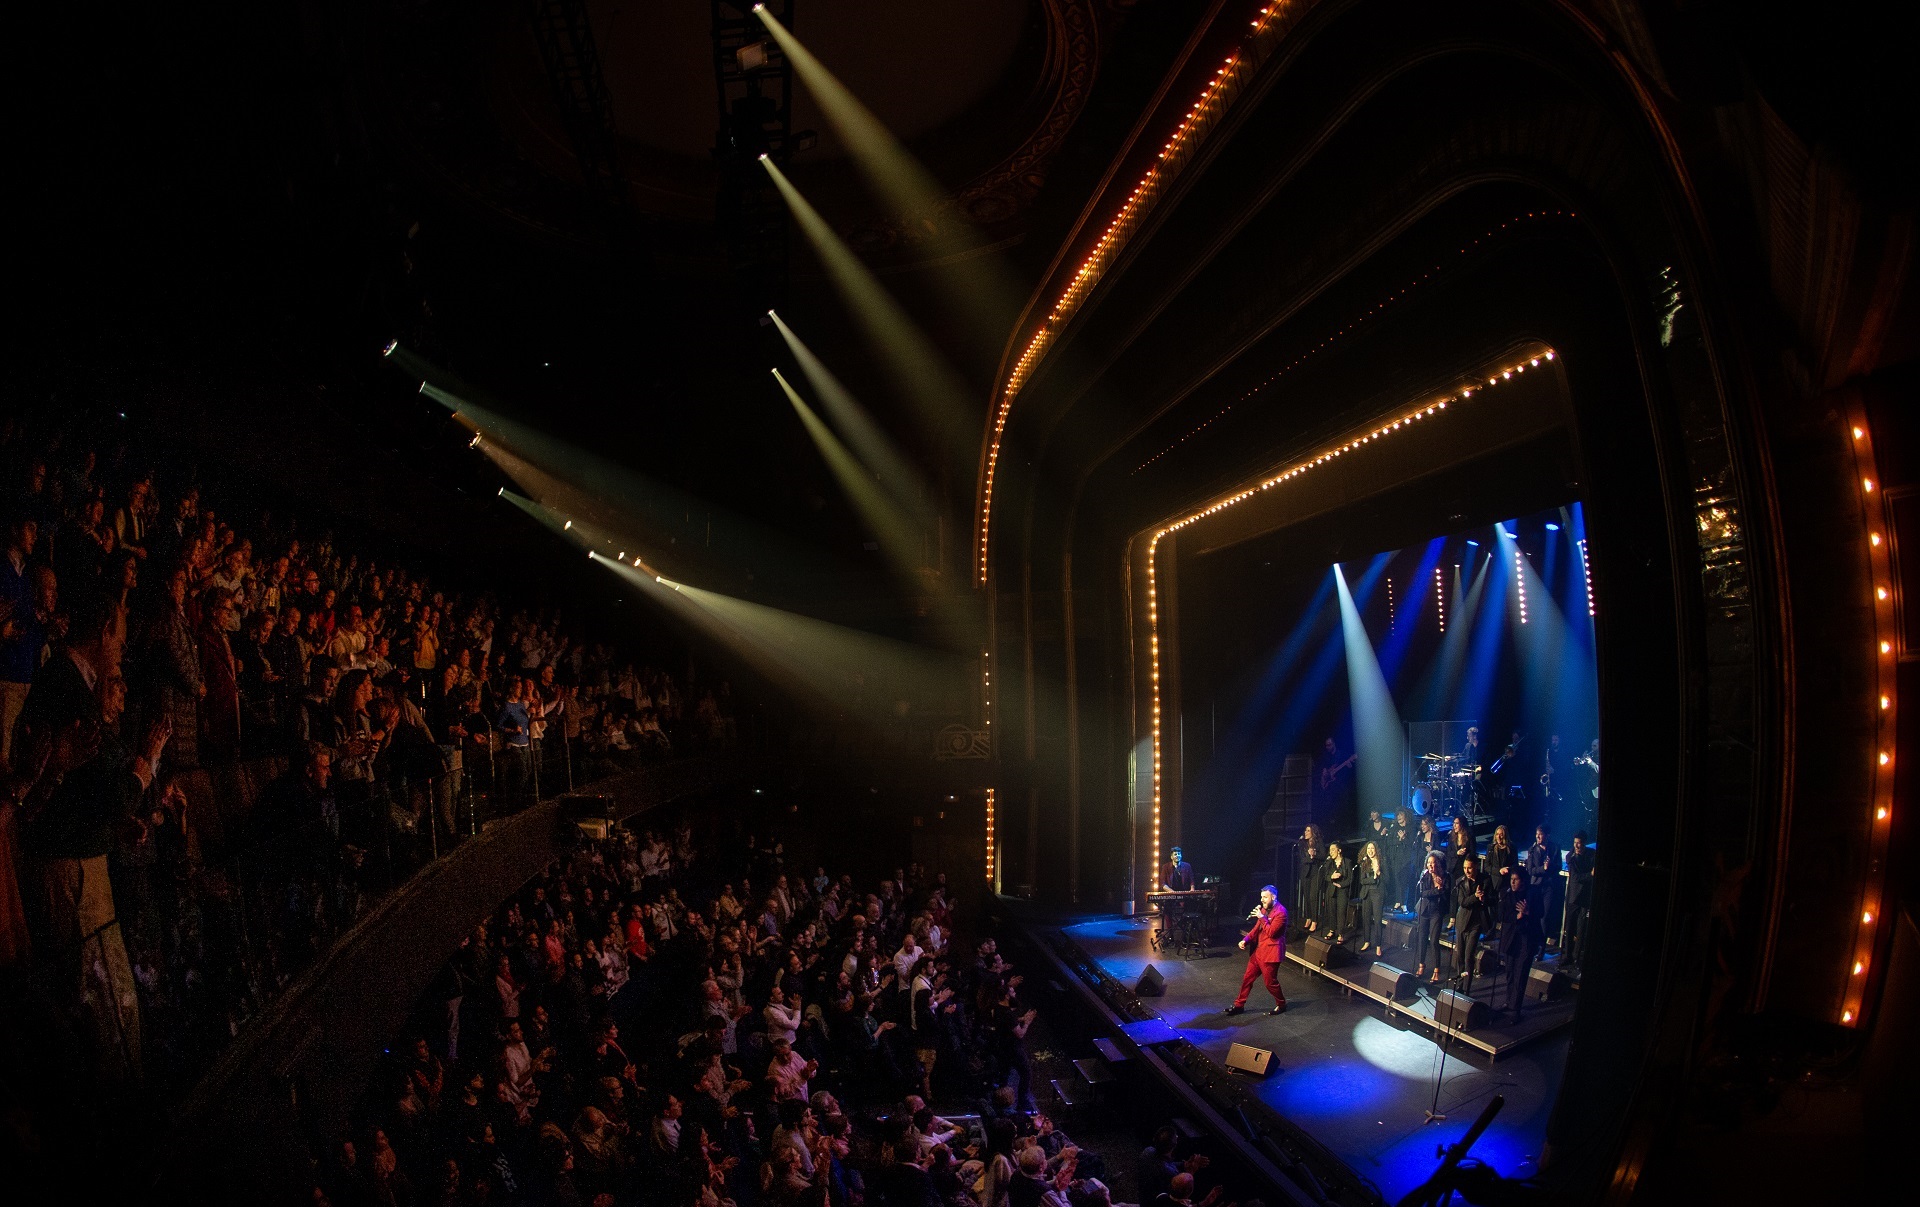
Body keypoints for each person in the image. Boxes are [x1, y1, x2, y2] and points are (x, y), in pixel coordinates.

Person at [1223, 884, 1286, 1016]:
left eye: (1265, 897)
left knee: (1270, 983)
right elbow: (1256, 929)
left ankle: (1281, 1004)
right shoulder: (1263, 910)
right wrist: (1245, 940)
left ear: (1273, 897)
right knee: (1247, 978)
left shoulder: (1281, 913)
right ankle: (1239, 1005)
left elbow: (1272, 933)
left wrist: (1262, 918)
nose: (1262, 900)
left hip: (1270, 954)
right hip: (1258, 952)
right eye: (1261, 897)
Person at [1498, 875, 1545, 1022]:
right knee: (1510, 971)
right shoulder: (1506, 893)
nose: (1512, 882)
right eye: (1511, 879)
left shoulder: (1533, 893)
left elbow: (1541, 913)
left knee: (1521, 973)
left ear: (1523, 881)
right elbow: (1501, 915)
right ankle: (1509, 1001)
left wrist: (1527, 913)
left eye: (1516, 879)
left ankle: (1515, 1009)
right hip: (1511, 938)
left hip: (1527, 939)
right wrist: (1517, 916)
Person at [1449, 854, 1491, 991]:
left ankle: (1466, 988)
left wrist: (1483, 898)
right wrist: (1475, 897)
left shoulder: (1485, 880)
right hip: (1462, 921)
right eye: (1465, 868)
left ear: (1476, 867)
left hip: (1476, 923)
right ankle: (1460, 985)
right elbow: (1463, 902)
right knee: (1460, 956)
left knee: (1468, 957)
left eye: (1470, 868)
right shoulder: (1460, 882)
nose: (1467, 871)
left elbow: (1492, 900)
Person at [1413, 853, 1448, 982]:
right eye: (1429, 863)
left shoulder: (1446, 876)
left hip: (1437, 912)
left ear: (1438, 864)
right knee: (1422, 938)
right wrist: (1437, 890)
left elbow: (1447, 896)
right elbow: (1422, 893)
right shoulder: (1424, 875)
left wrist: (1441, 888)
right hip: (1424, 910)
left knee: (1433, 941)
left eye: (1433, 863)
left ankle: (1436, 970)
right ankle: (1421, 965)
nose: (1431, 865)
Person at [1563, 832, 1595, 972]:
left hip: (1586, 897)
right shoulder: (1571, 857)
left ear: (1584, 843)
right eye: (1575, 842)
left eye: (1579, 843)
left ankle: (1577, 958)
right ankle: (1567, 956)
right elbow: (1576, 877)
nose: (1577, 845)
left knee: (1581, 930)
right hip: (1573, 897)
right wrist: (1590, 875)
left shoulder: (1592, 854)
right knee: (1570, 928)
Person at [1354, 841, 1384, 953]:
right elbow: (1362, 881)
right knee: (1366, 918)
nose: (1370, 851)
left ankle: (1378, 946)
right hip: (1366, 894)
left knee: (1377, 920)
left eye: (1372, 848)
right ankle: (1367, 941)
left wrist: (1379, 873)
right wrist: (1374, 878)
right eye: (1368, 849)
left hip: (1377, 894)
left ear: (1376, 850)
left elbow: (1388, 879)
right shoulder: (1364, 863)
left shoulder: (1382, 862)